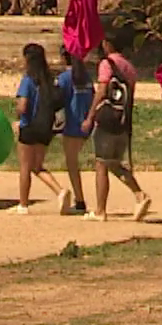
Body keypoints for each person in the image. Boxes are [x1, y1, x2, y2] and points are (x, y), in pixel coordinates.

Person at [83, 26, 152, 221]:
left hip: (106, 120)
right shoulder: (130, 68)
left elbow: (102, 91)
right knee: (114, 163)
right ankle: (139, 194)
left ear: (107, 44)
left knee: (101, 164)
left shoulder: (106, 64)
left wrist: (90, 117)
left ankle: (100, 210)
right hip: (122, 121)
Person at [11, 43, 73, 215]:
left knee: (25, 166)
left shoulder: (28, 79)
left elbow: (22, 106)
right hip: (45, 128)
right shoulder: (50, 79)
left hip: (29, 126)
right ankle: (59, 191)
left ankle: (23, 204)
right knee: (37, 166)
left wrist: (16, 116)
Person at [57, 46, 95, 215]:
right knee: (75, 161)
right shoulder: (86, 77)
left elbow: (56, 100)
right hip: (86, 123)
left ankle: (80, 200)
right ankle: (79, 199)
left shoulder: (64, 78)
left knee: (72, 164)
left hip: (72, 124)